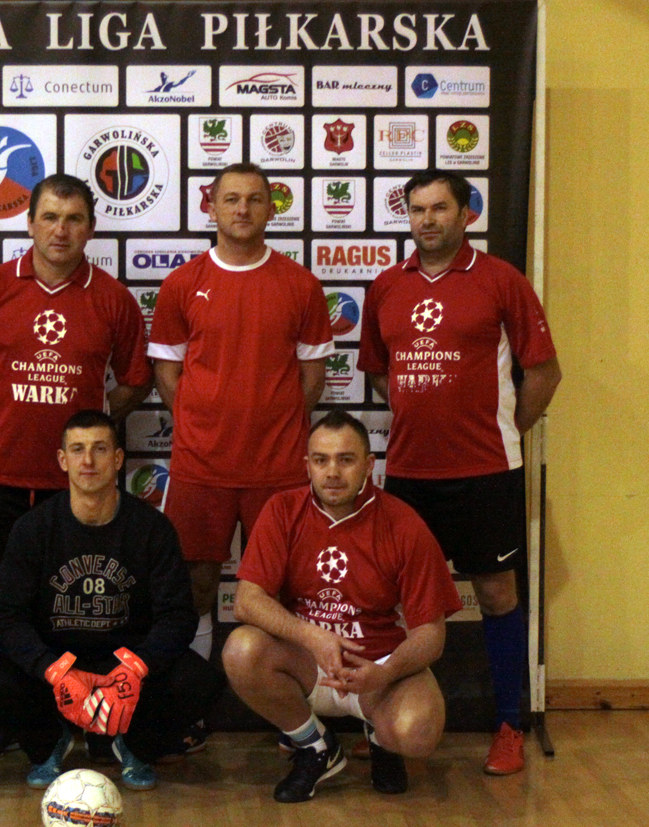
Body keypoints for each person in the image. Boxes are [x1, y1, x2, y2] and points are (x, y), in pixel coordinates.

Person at [357, 170, 561, 775]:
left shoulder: (501, 280)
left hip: (485, 471)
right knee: (395, 601)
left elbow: (544, 373)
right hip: (410, 471)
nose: (427, 220)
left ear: (466, 213)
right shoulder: (386, 286)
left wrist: (503, 431)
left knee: (497, 594)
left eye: (439, 208)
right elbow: (379, 372)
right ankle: (387, 728)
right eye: (417, 209)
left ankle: (509, 726)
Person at [0, 173, 152, 759]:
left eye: (74, 219)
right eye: (50, 217)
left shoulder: (112, 298)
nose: (61, 230)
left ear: (91, 227)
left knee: (80, 597)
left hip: (80, 486)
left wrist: (93, 423)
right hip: (2, 472)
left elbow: (136, 380)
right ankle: (14, 713)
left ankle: (86, 705)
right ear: (29, 222)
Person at [0, 410, 224, 791]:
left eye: (100, 449)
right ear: (62, 459)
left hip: (125, 666)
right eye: (78, 449)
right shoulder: (34, 528)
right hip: (59, 665)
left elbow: (178, 616)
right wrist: (54, 670)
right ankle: (51, 741)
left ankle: (130, 744)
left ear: (118, 459)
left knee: (199, 682)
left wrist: (134, 668)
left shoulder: (151, 528)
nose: (88, 460)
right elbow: (6, 618)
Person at [148, 162, 334, 675]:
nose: (242, 209)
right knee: (195, 584)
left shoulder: (300, 284)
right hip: (200, 465)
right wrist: (201, 420)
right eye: (231, 199)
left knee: (283, 589)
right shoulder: (183, 283)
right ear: (211, 207)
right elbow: (167, 372)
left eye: (254, 199)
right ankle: (193, 696)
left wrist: (273, 422)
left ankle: (281, 694)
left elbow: (312, 380)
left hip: (278, 467)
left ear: (271, 209)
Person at [222, 412, 463, 802]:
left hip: (377, 667)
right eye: (321, 460)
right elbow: (247, 601)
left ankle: (381, 739)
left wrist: (385, 673)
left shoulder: (403, 523)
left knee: (417, 733)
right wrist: (313, 637)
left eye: (346, 460)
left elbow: (431, 635)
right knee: (240, 650)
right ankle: (316, 748)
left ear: (368, 465)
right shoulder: (282, 510)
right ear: (308, 466)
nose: (332, 472)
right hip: (307, 663)